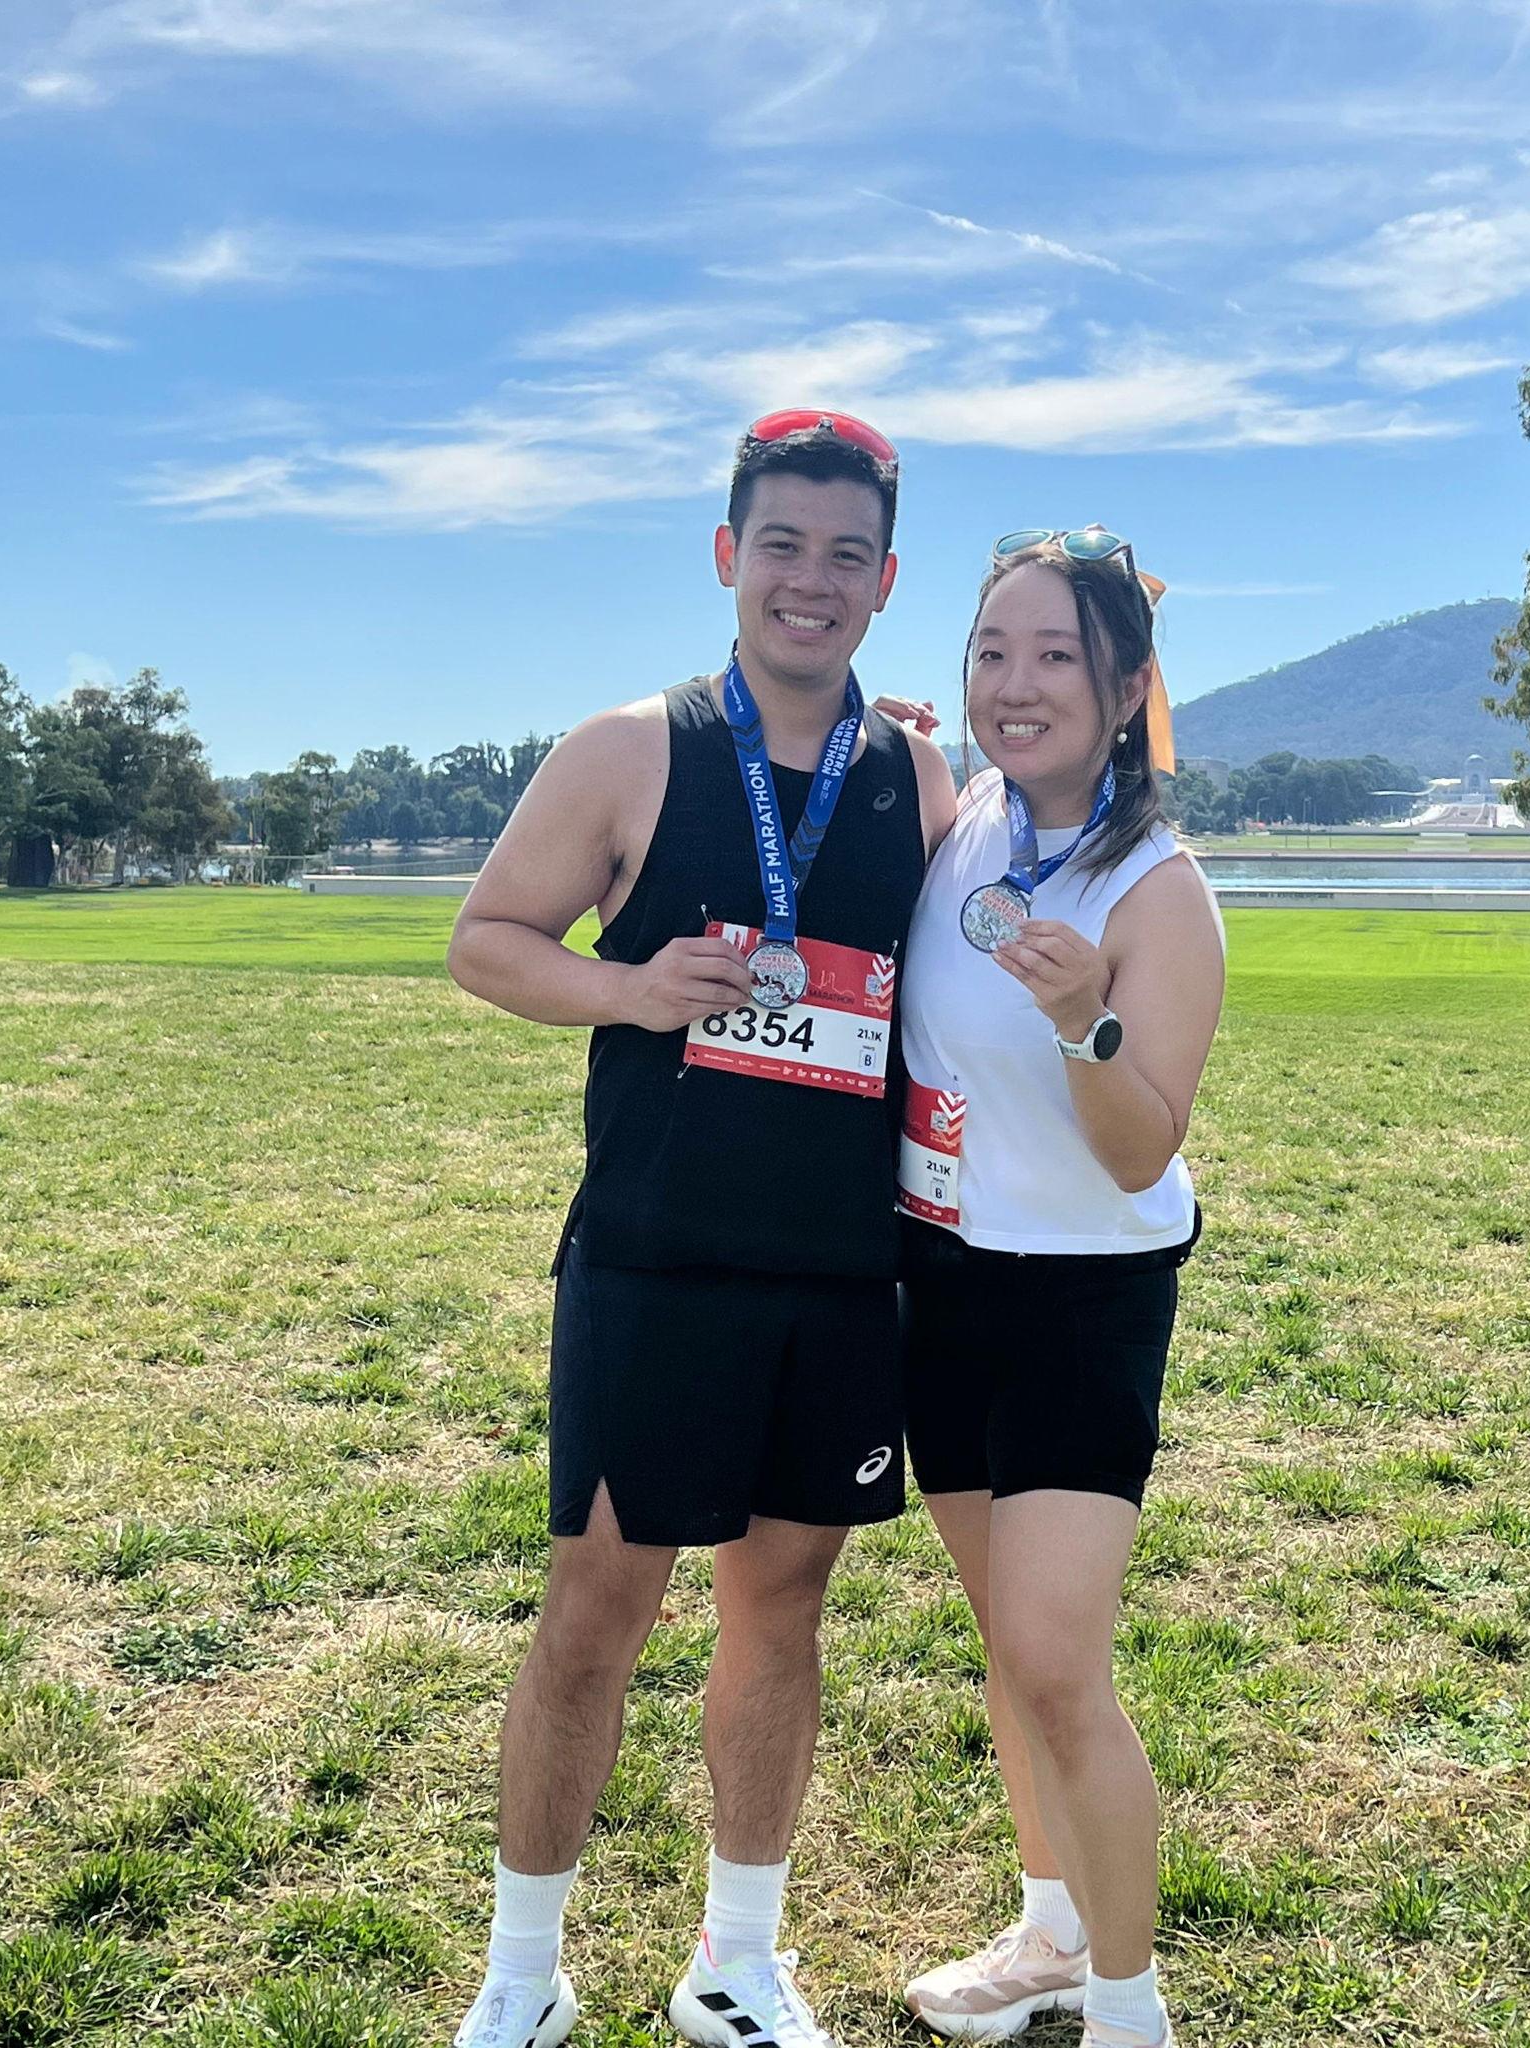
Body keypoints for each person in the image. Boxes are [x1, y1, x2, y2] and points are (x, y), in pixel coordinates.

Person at [444, 409, 957, 2048]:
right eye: (782, 545)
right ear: (730, 556)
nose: (813, 580)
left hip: (842, 1272)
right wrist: (630, 988)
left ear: (886, 581)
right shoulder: (629, 750)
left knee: (781, 1610)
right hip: (657, 1260)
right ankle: (523, 1977)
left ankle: (737, 1963)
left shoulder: (914, 775)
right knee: (595, 1612)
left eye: (848, 554)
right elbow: (487, 940)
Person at [893, 530, 1224, 2048]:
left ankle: (1130, 2008)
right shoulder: (965, 821)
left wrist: (1089, 1021)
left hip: (1084, 1295)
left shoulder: (1159, 891)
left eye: (1056, 658)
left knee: (1055, 1662)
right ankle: (1051, 1936)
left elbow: (1140, 1145)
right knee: (1005, 1644)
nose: (1014, 686)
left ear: (1127, 686)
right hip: (942, 1274)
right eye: (992, 652)